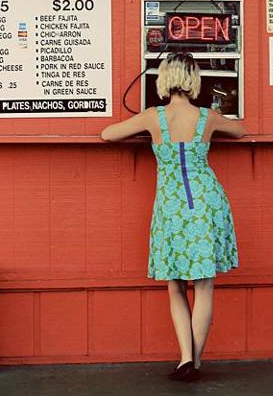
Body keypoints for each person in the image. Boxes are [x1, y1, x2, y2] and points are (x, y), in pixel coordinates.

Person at [101, 52, 247, 382]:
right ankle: (192, 363)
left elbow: (107, 134)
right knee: (205, 286)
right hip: (207, 201)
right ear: (194, 79)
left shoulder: (154, 117)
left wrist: (141, 128)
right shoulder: (207, 117)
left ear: (164, 79)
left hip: (172, 205)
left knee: (176, 285)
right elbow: (240, 130)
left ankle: (185, 358)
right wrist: (220, 114)